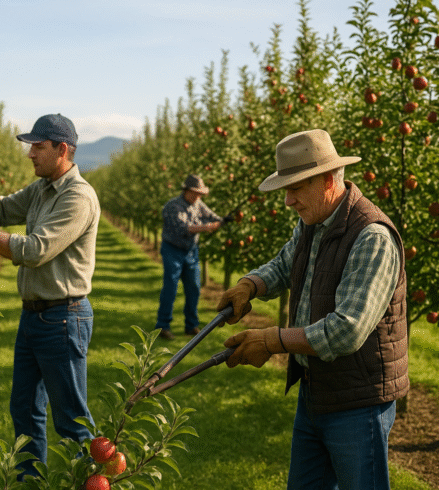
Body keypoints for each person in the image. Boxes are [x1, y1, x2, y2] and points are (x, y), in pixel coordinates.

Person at [216, 129, 408, 489]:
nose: (288, 201)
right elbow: (284, 264)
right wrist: (249, 285)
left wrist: (273, 340)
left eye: (295, 188)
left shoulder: (372, 237)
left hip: (358, 400)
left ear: (327, 180)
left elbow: (346, 330)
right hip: (315, 392)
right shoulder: (313, 222)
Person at [0, 113, 100, 479]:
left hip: (63, 317)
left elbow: (34, 250)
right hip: (35, 317)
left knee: (71, 420)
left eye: (38, 146)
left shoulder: (77, 197)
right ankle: (30, 483)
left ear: (62, 149)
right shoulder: (42, 189)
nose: (30, 154)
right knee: (25, 411)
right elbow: (1, 207)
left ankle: (94, 481)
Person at [155, 174, 223, 340]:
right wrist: (206, 227)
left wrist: (222, 221)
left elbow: (212, 217)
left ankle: (191, 325)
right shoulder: (173, 206)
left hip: (191, 250)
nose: (197, 196)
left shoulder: (198, 204)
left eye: (200, 194)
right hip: (172, 250)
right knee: (170, 287)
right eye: (194, 192)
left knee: (194, 287)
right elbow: (184, 228)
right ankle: (163, 326)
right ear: (186, 190)